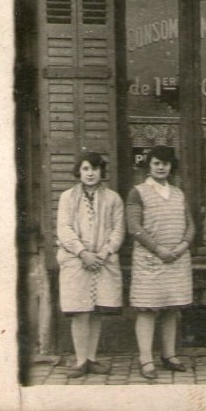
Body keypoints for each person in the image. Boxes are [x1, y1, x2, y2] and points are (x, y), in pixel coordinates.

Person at [127, 145, 194, 380]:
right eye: (156, 163)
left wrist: (182, 247)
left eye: (165, 163)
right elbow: (134, 227)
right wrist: (158, 250)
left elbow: (190, 225)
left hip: (176, 259)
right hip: (150, 261)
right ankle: (146, 359)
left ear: (171, 166)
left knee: (171, 307)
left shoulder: (178, 193)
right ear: (149, 165)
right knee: (147, 309)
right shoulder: (138, 192)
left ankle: (170, 355)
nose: (161, 167)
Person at [55, 152, 125, 378]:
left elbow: (118, 229)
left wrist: (103, 253)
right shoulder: (67, 197)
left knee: (96, 311)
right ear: (79, 171)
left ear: (101, 172)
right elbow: (64, 228)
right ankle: (80, 360)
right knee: (80, 311)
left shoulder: (113, 198)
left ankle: (92, 359)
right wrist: (83, 253)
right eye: (86, 169)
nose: (91, 173)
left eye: (95, 169)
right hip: (76, 260)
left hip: (102, 260)